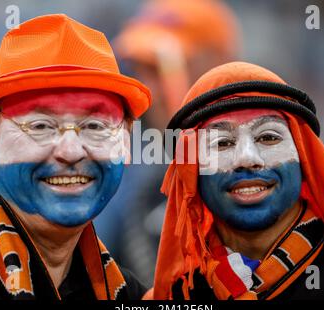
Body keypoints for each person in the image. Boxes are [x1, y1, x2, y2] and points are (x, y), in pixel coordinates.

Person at [0, 14, 151, 300]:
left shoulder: (128, 295)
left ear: (125, 141)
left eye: (94, 126)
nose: (71, 151)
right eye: (41, 126)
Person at [149, 62, 324, 300]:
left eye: (268, 137)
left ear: (305, 158)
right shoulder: (178, 297)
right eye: (222, 143)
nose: (247, 158)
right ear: (192, 175)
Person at [95, 0, 241, 286]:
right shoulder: (143, 195)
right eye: (141, 71)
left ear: (217, 66)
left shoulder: (301, 169)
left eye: (162, 69)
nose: (148, 92)